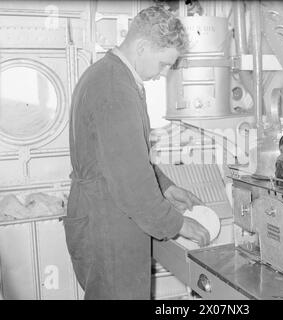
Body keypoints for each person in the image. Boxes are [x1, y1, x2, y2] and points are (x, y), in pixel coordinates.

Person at [64, 5, 210, 300]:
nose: (163, 74)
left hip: (105, 215)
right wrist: (180, 224)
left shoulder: (110, 75)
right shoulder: (114, 89)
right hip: (109, 225)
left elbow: (128, 156)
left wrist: (166, 188)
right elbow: (131, 183)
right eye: (163, 64)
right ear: (142, 47)